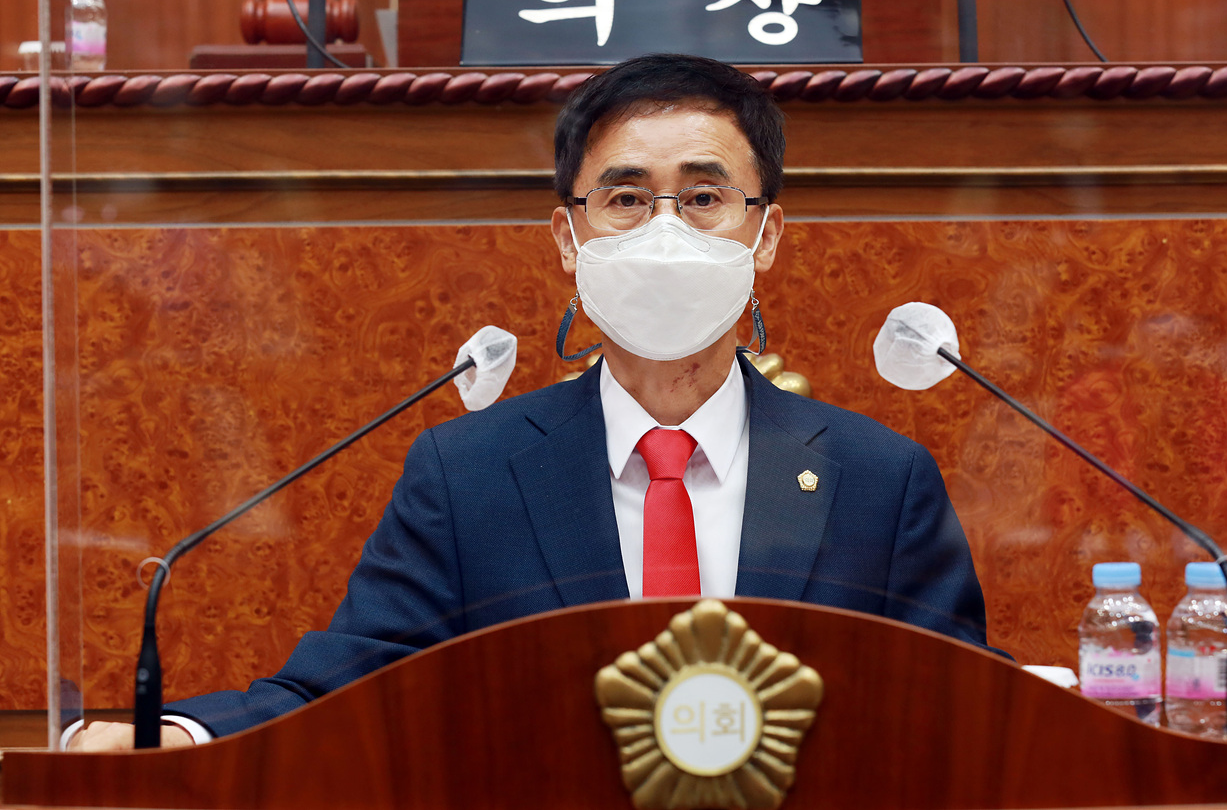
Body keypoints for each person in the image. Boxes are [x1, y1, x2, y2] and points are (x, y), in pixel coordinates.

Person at [71, 53, 990, 751]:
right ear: (567, 237)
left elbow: (968, 711)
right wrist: (177, 734)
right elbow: (347, 687)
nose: (664, 230)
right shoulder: (468, 475)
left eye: (704, 196)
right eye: (626, 199)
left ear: (767, 233)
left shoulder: (881, 479)